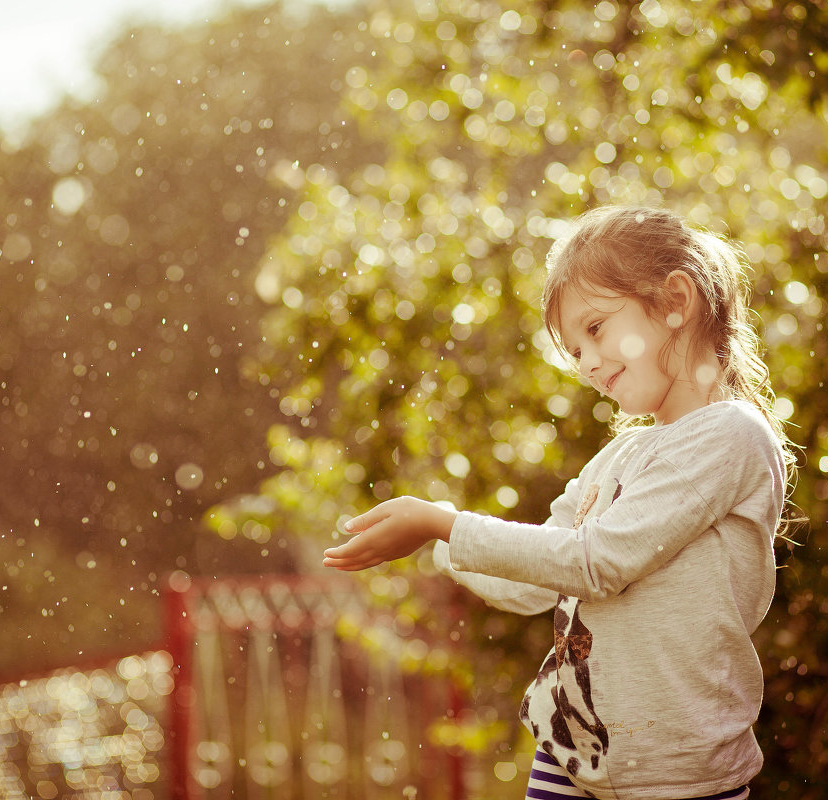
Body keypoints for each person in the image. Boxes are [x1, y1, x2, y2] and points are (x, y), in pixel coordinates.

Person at [323, 205, 795, 800]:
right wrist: (435, 539)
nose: (588, 364)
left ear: (677, 299)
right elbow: (537, 579)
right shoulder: (620, 458)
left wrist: (444, 524)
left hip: (677, 773)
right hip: (570, 754)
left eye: (595, 329)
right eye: (573, 352)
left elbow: (598, 564)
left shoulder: (731, 436)